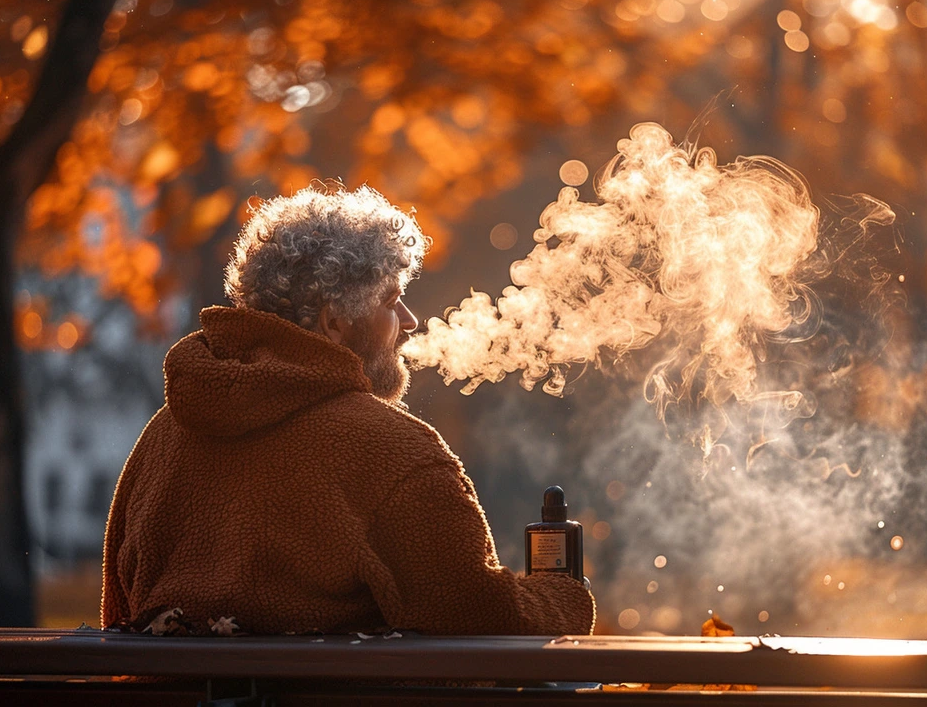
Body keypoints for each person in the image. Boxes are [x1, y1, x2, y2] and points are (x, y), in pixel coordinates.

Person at [101, 183, 595, 636]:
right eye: (391, 300)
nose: (410, 320)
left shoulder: (165, 434)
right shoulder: (390, 446)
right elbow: (473, 612)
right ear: (334, 323)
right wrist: (563, 597)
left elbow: (120, 611)